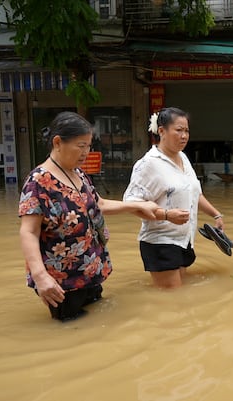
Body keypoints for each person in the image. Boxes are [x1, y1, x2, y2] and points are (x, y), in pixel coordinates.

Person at [18, 111, 158, 321]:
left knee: (96, 321)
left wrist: (137, 206)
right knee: (70, 329)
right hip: (61, 281)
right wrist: (40, 277)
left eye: (89, 146)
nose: (86, 152)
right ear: (58, 142)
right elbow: (28, 231)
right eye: (80, 146)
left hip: (90, 270)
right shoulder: (37, 182)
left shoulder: (78, 174)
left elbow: (98, 204)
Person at [123, 107, 226, 289]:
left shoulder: (183, 158)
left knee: (179, 299)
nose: (184, 135)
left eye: (186, 131)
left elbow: (195, 193)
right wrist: (166, 215)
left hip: (184, 239)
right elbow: (131, 204)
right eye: (178, 130)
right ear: (161, 131)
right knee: (172, 302)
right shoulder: (148, 164)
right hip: (160, 242)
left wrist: (216, 214)